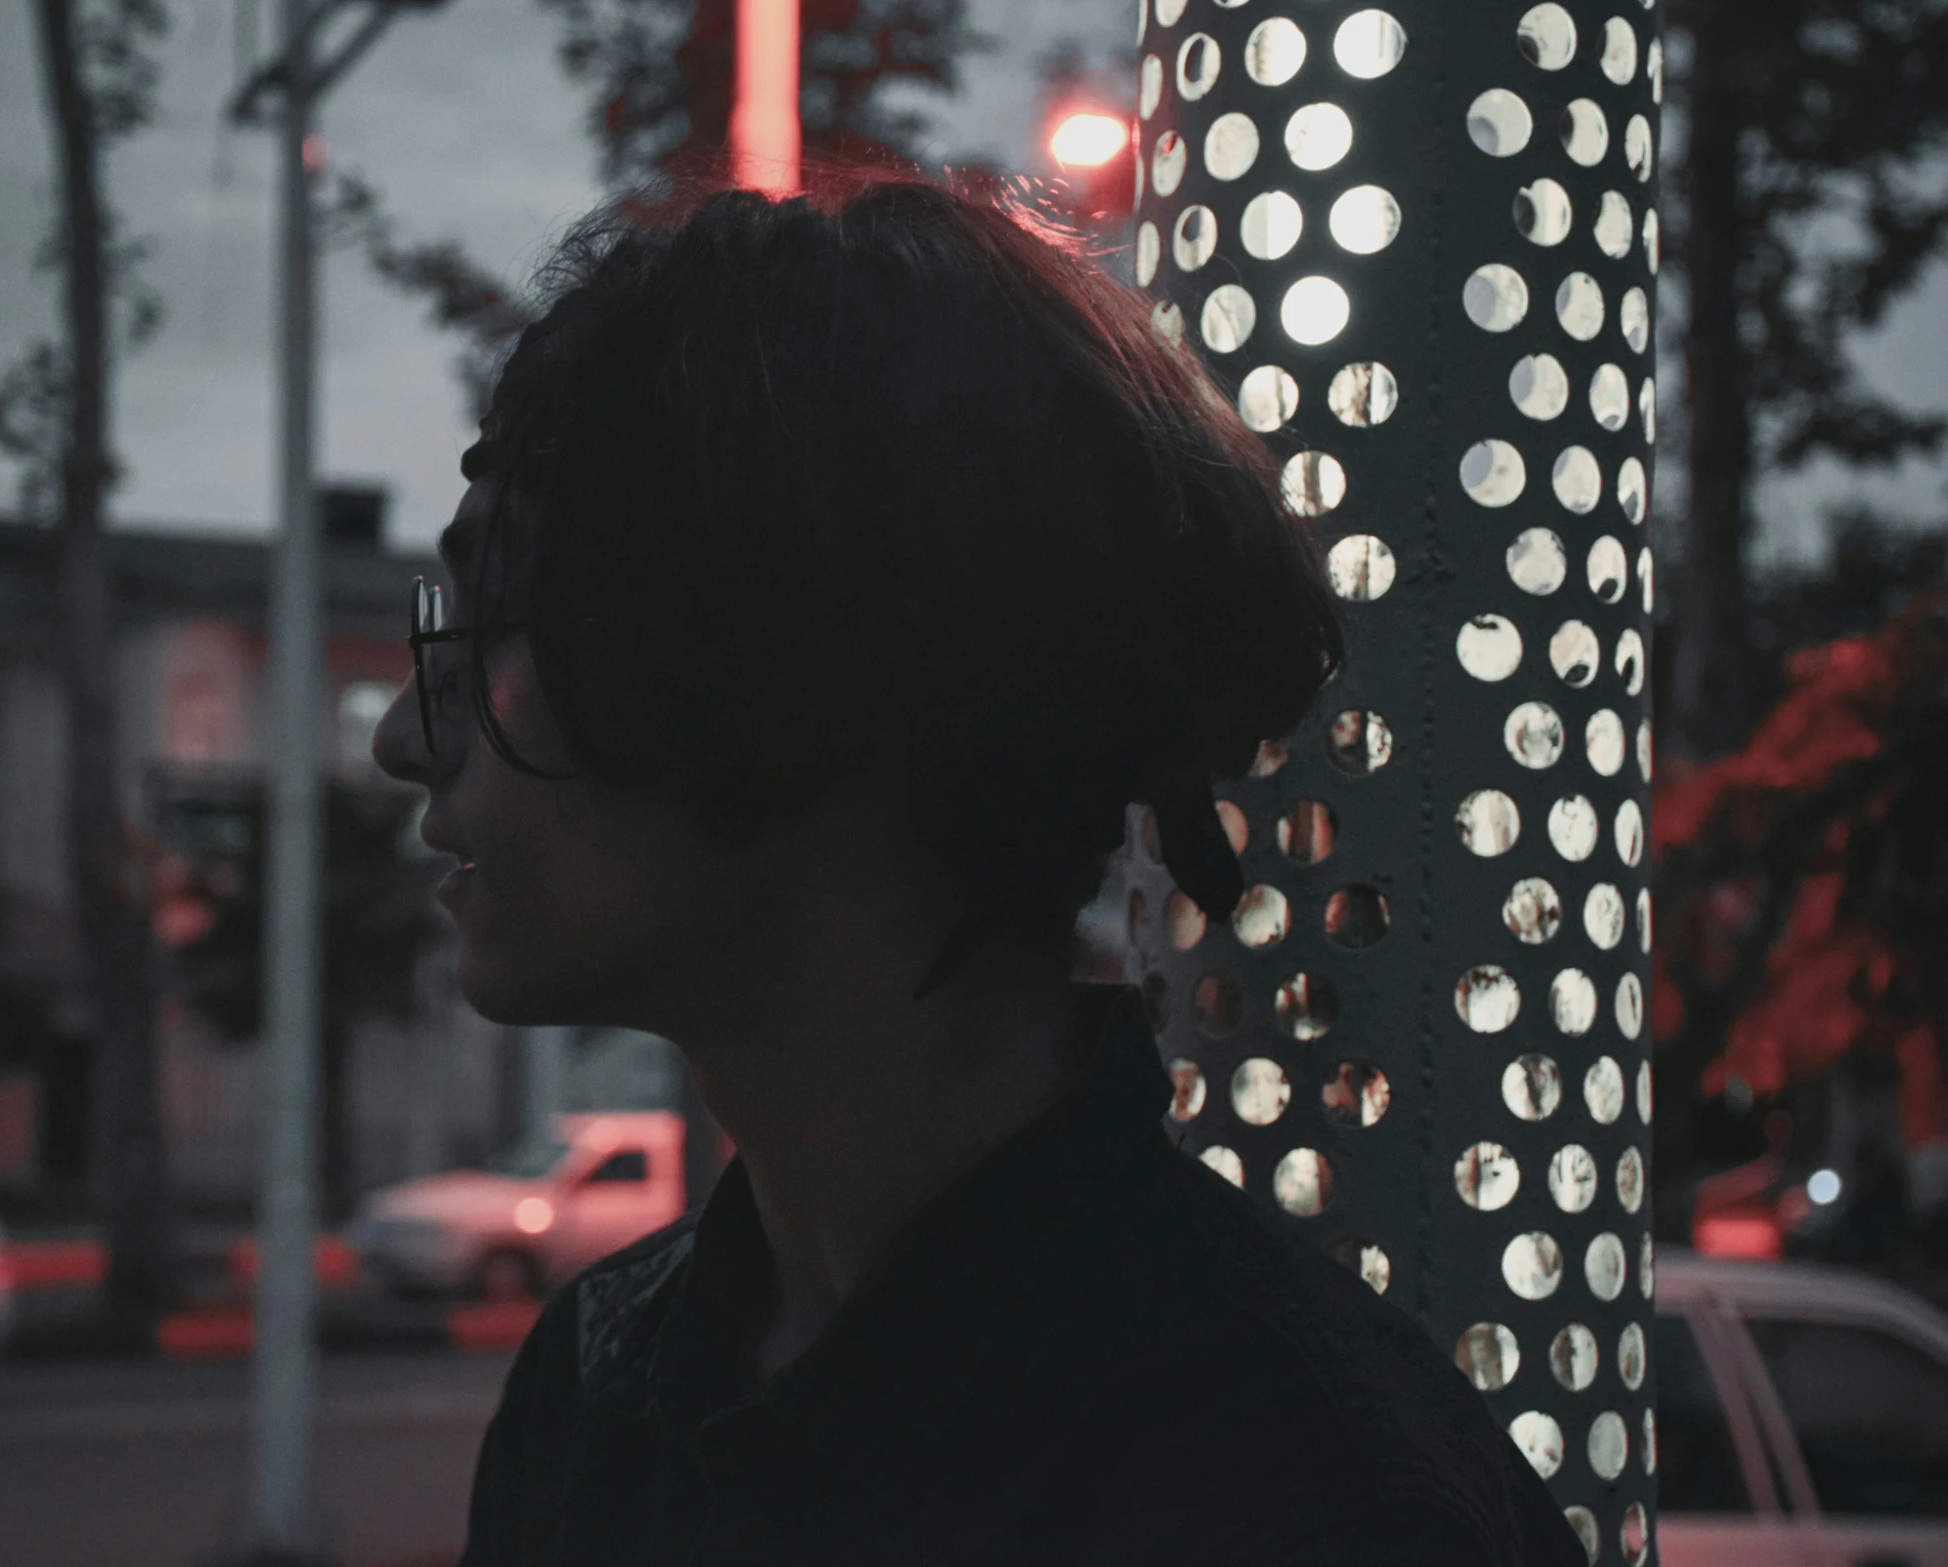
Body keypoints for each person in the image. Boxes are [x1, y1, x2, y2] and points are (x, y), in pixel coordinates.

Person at [372, 171, 1579, 1567]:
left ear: (799, 663)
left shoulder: (1303, 1500)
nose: (410, 737)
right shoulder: (591, 1393)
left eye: (496, 612)